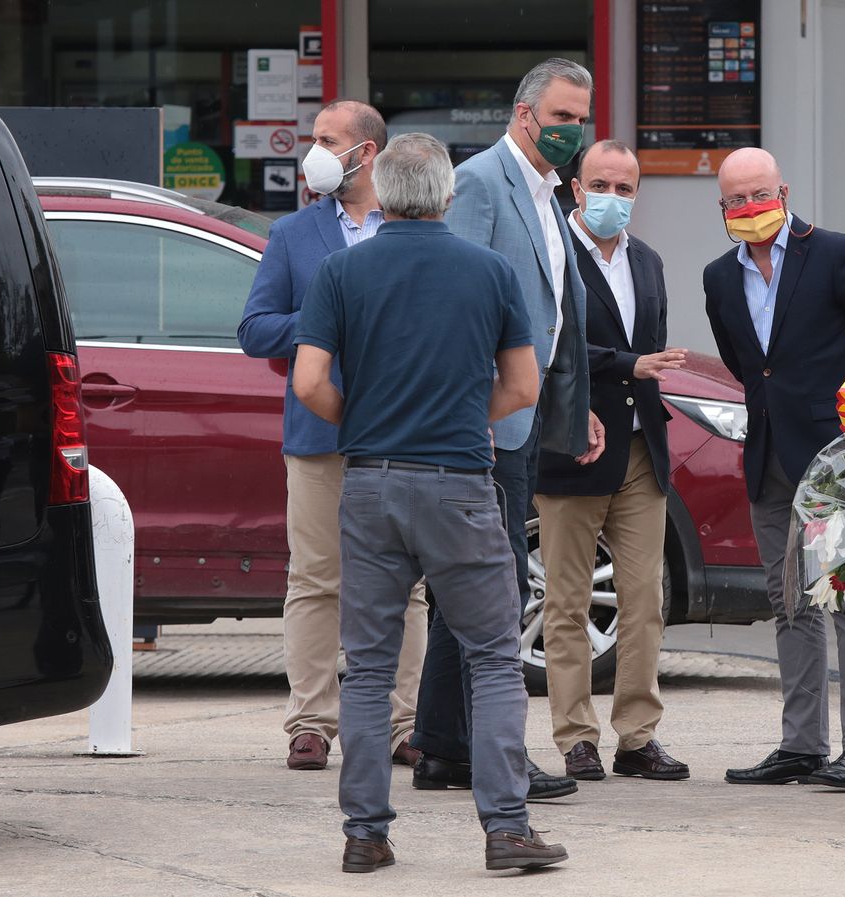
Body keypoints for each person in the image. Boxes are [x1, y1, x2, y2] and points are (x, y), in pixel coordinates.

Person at [291, 132, 570, 873]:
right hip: (458, 483)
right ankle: (507, 828)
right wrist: (462, 416)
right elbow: (523, 387)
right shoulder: (491, 272)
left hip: (370, 483)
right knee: (493, 659)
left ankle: (364, 833)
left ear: (381, 194)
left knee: (368, 666)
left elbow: (308, 381)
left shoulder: (341, 270)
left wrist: (363, 423)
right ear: (448, 194)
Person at [408, 57, 602, 800]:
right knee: (491, 589)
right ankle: (492, 757)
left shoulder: (547, 192)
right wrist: (470, 412)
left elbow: (551, 312)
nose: (572, 131)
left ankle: (443, 749)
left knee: (473, 586)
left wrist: (572, 402)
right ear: (524, 114)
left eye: (580, 119)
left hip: (523, 415)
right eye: (560, 118)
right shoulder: (483, 182)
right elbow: (453, 306)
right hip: (482, 421)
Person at [705, 147, 845, 792]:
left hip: (840, 458)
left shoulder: (835, 253)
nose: (749, 207)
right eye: (736, 200)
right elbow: (746, 365)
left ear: (784, 192)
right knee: (789, 603)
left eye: (759, 194)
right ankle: (801, 746)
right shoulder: (718, 276)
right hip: (768, 457)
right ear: (722, 207)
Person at [238, 100, 429, 773]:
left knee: (406, 585)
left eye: (326, 139)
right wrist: (323, 320)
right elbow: (254, 329)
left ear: (366, 151)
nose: (312, 152)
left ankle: (404, 724)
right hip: (318, 435)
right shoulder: (293, 233)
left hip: (401, 432)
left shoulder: (414, 229)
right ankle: (311, 723)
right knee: (315, 579)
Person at [535, 139, 691, 782]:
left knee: (644, 599)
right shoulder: (551, 250)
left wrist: (640, 368)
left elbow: (650, 347)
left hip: (640, 449)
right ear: (576, 189)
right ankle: (576, 737)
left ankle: (637, 736)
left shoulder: (647, 260)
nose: (612, 198)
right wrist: (630, 365)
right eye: (600, 185)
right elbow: (550, 345)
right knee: (567, 603)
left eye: (625, 189)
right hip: (574, 447)